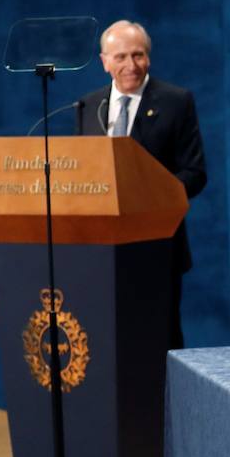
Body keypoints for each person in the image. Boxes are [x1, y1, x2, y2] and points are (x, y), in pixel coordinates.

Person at [77, 20, 207, 349]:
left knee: (159, 339)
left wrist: (148, 198)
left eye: (138, 55)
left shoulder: (176, 101)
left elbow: (195, 172)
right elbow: (83, 174)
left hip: (158, 245)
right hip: (101, 248)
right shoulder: (87, 106)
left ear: (148, 57)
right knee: (106, 340)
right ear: (104, 61)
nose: (130, 65)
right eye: (120, 57)